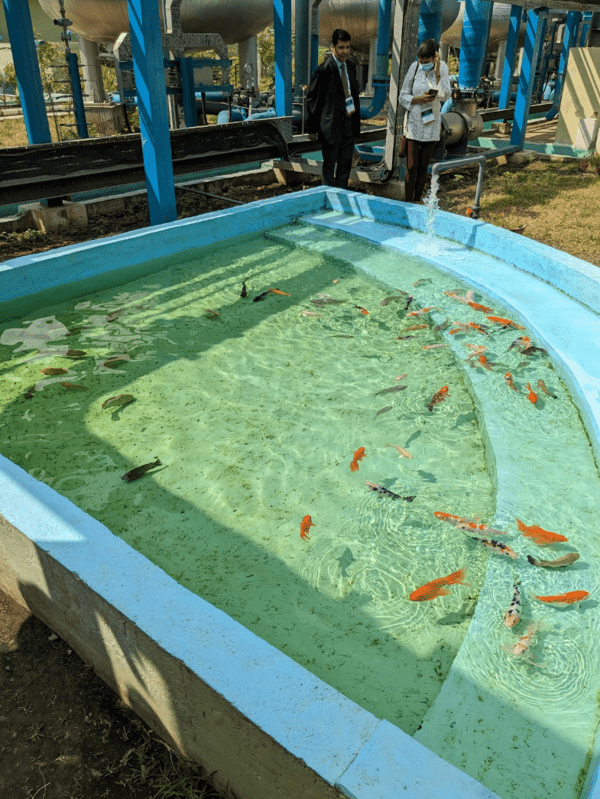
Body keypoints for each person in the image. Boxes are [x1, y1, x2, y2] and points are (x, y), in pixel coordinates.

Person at [306, 28, 361, 189]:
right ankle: (329, 198)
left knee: (345, 164)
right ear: (333, 47)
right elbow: (313, 100)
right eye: (341, 47)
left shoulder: (350, 66)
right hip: (330, 127)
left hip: (348, 123)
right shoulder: (323, 71)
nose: (345, 51)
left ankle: (341, 196)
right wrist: (313, 128)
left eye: (347, 47)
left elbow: (354, 94)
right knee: (329, 165)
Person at [399, 39, 451, 203]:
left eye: (427, 62)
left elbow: (445, 95)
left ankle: (416, 200)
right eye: (421, 61)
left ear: (434, 57)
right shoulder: (414, 68)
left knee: (423, 167)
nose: (423, 65)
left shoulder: (442, 67)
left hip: (430, 124)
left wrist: (436, 74)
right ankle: (408, 201)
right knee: (411, 166)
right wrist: (417, 99)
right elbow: (402, 95)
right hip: (414, 125)